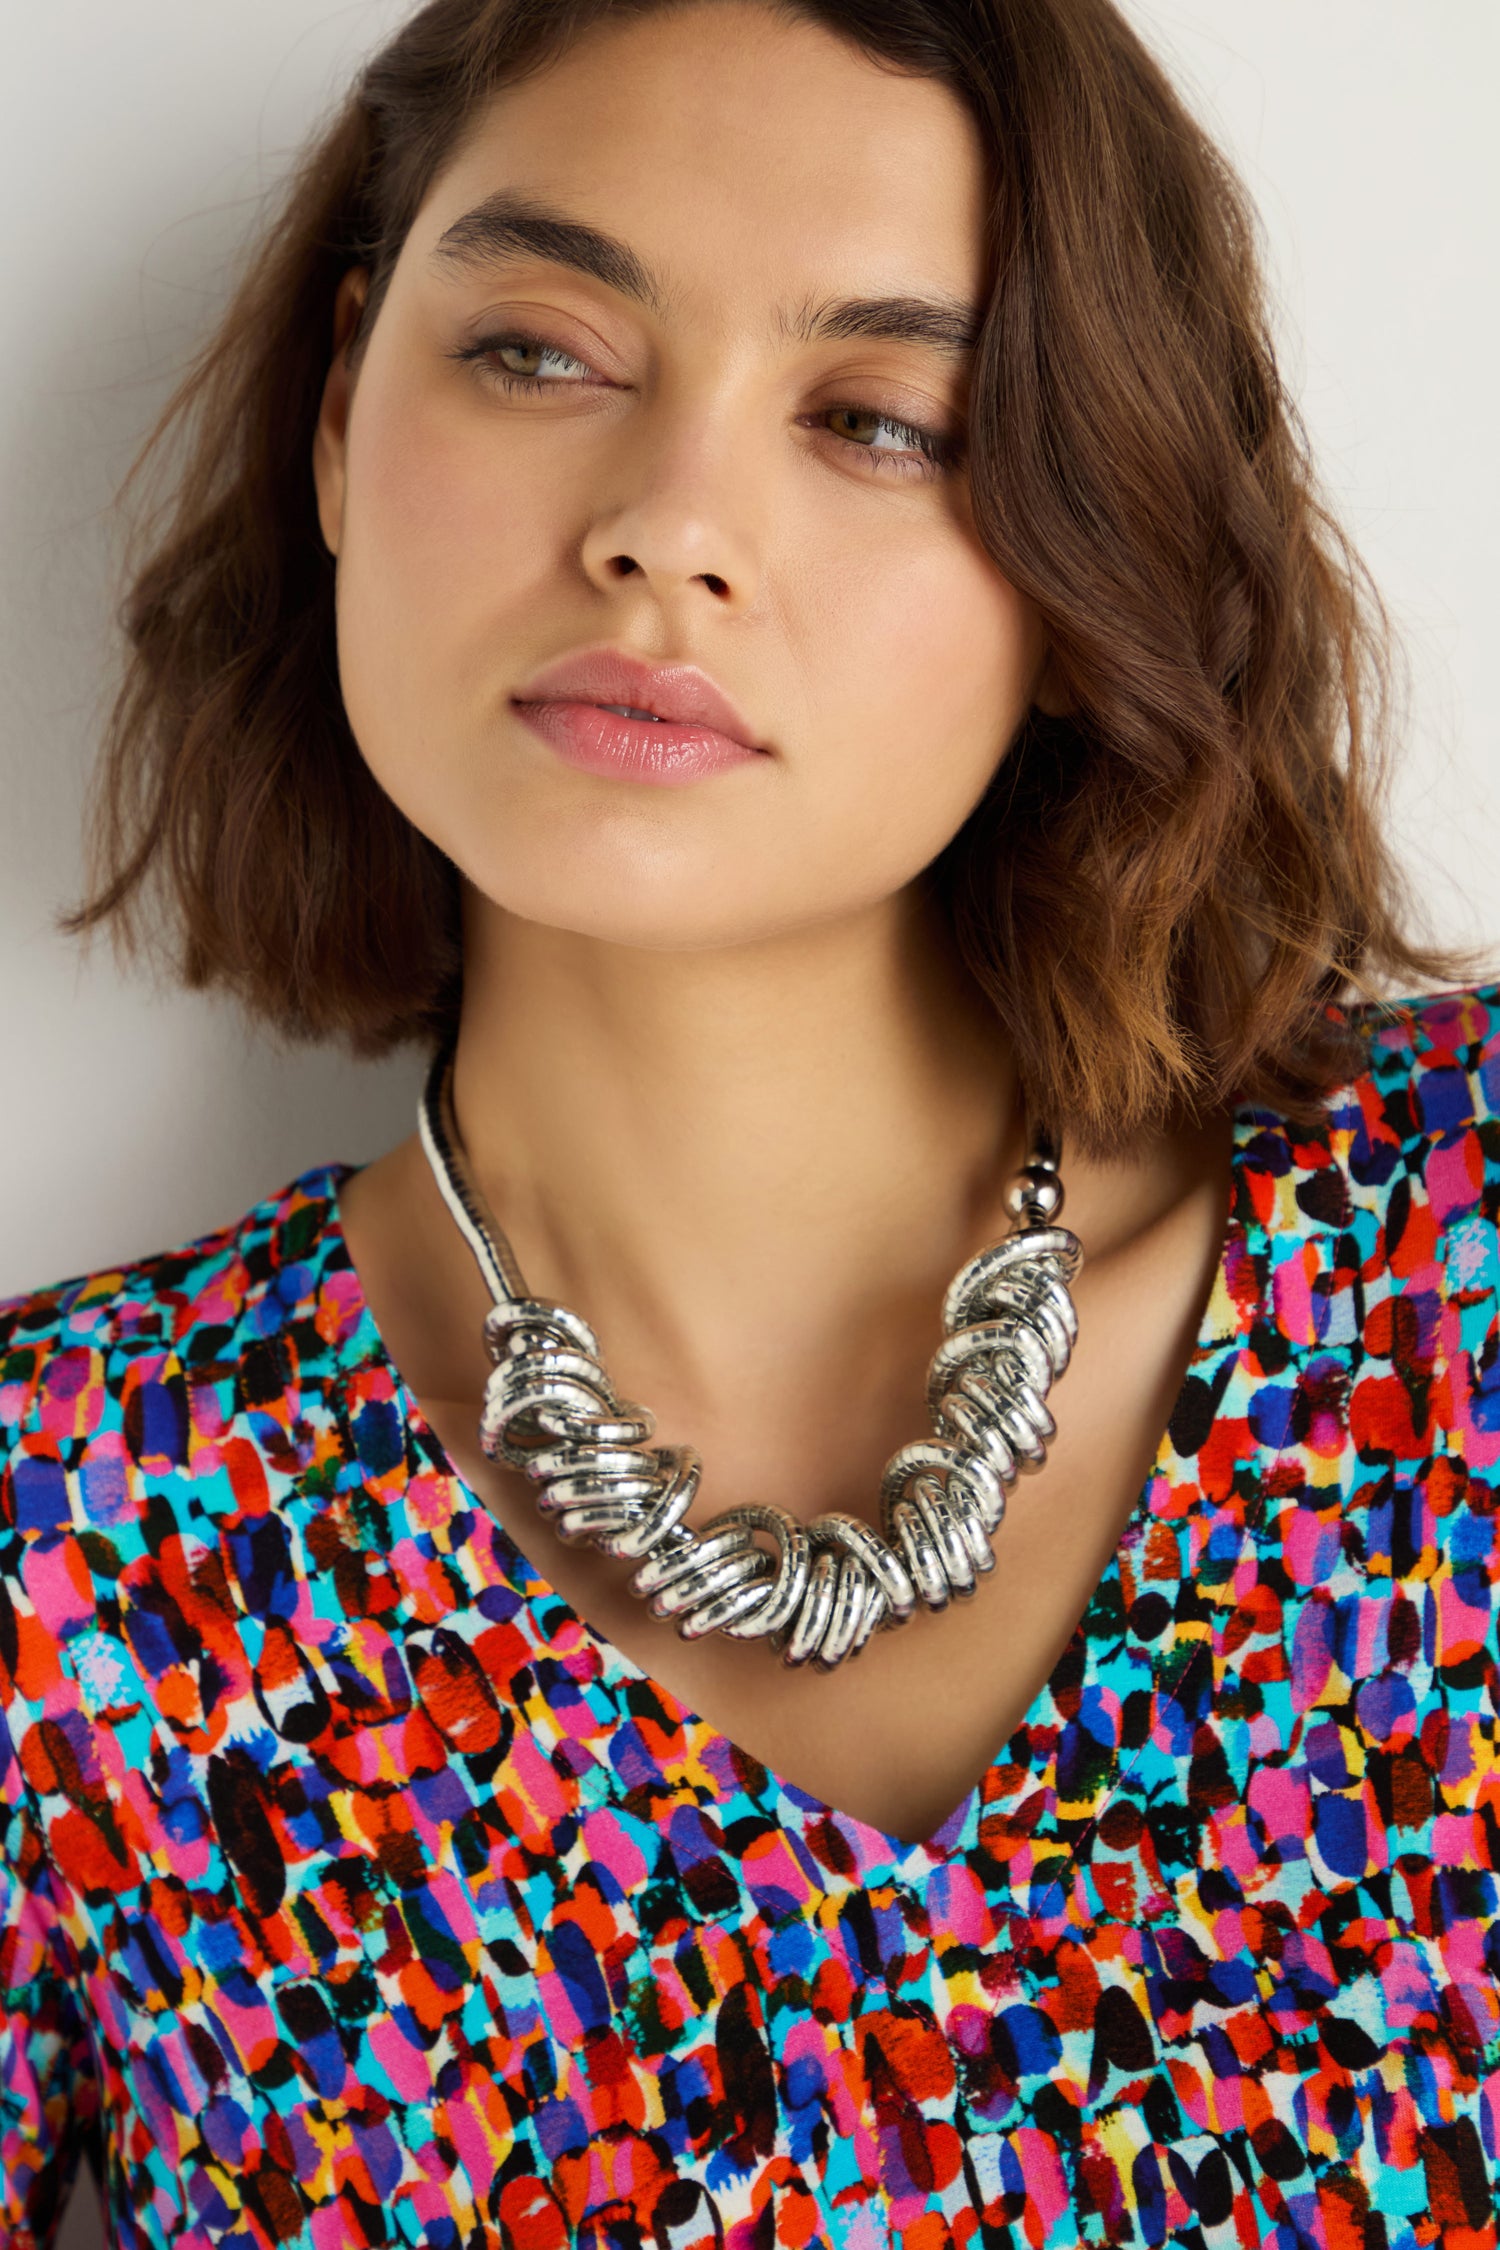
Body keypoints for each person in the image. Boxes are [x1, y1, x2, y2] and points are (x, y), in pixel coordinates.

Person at [3, 0, 1497, 2240]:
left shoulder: (1457, 1244)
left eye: (881, 419)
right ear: (338, 414)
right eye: (539, 349)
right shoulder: (67, 1550)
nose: (668, 528)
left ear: (1091, 556)